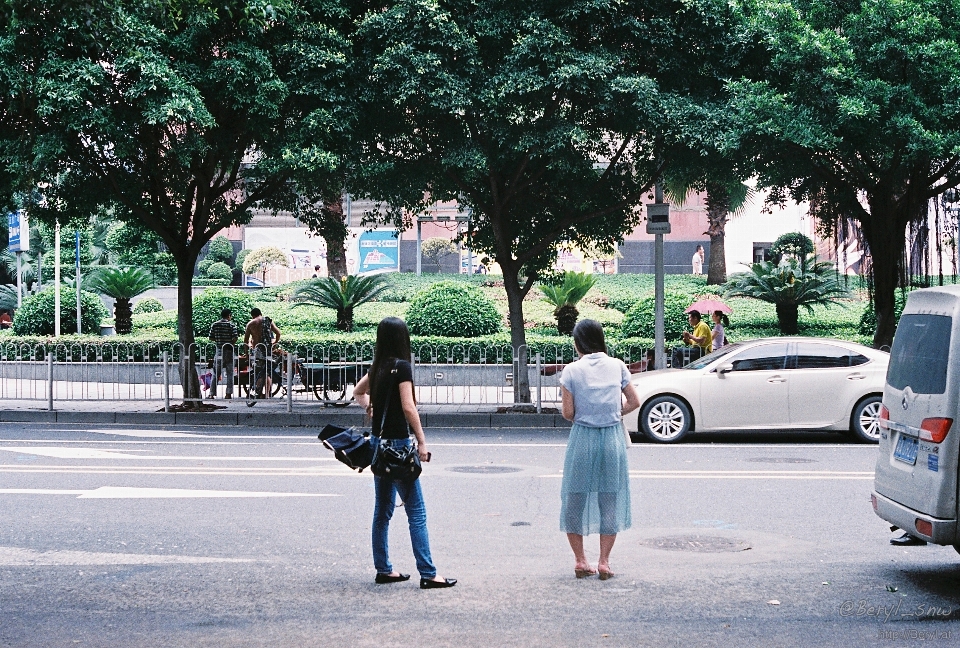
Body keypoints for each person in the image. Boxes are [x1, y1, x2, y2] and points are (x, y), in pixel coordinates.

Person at [353, 317, 457, 589]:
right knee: (417, 512)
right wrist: (422, 442)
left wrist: (370, 409)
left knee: (382, 511)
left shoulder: (377, 367)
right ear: (402, 339)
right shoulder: (401, 367)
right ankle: (428, 573)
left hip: (378, 445)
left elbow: (358, 392)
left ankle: (384, 569)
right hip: (398, 447)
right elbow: (409, 407)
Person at [559, 319, 641, 580]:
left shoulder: (571, 371)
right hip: (611, 439)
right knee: (609, 499)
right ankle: (604, 562)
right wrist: (614, 414)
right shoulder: (617, 366)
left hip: (583, 438)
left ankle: (581, 561)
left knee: (575, 498)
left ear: (578, 342)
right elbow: (634, 401)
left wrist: (587, 415)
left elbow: (568, 413)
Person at [244, 307, 281, 406]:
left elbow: (245, 341)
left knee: (259, 371)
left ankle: (258, 393)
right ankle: (267, 394)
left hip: (258, 350)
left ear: (252, 315)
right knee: (267, 372)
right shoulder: (268, 321)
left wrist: (246, 354)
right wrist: (274, 343)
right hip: (267, 350)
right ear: (261, 313)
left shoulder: (251, 324)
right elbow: (278, 333)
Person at [208, 308, 238, 399]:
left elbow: (210, 337)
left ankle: (212, 394)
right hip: (229, 350)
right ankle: (228, 394)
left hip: (219, 350)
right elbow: (235, 337)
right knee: (230, 373)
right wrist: (230, 343)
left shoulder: (215, 325)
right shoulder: (231, 325)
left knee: (216, 373)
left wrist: (218, 340)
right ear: (229, 315)